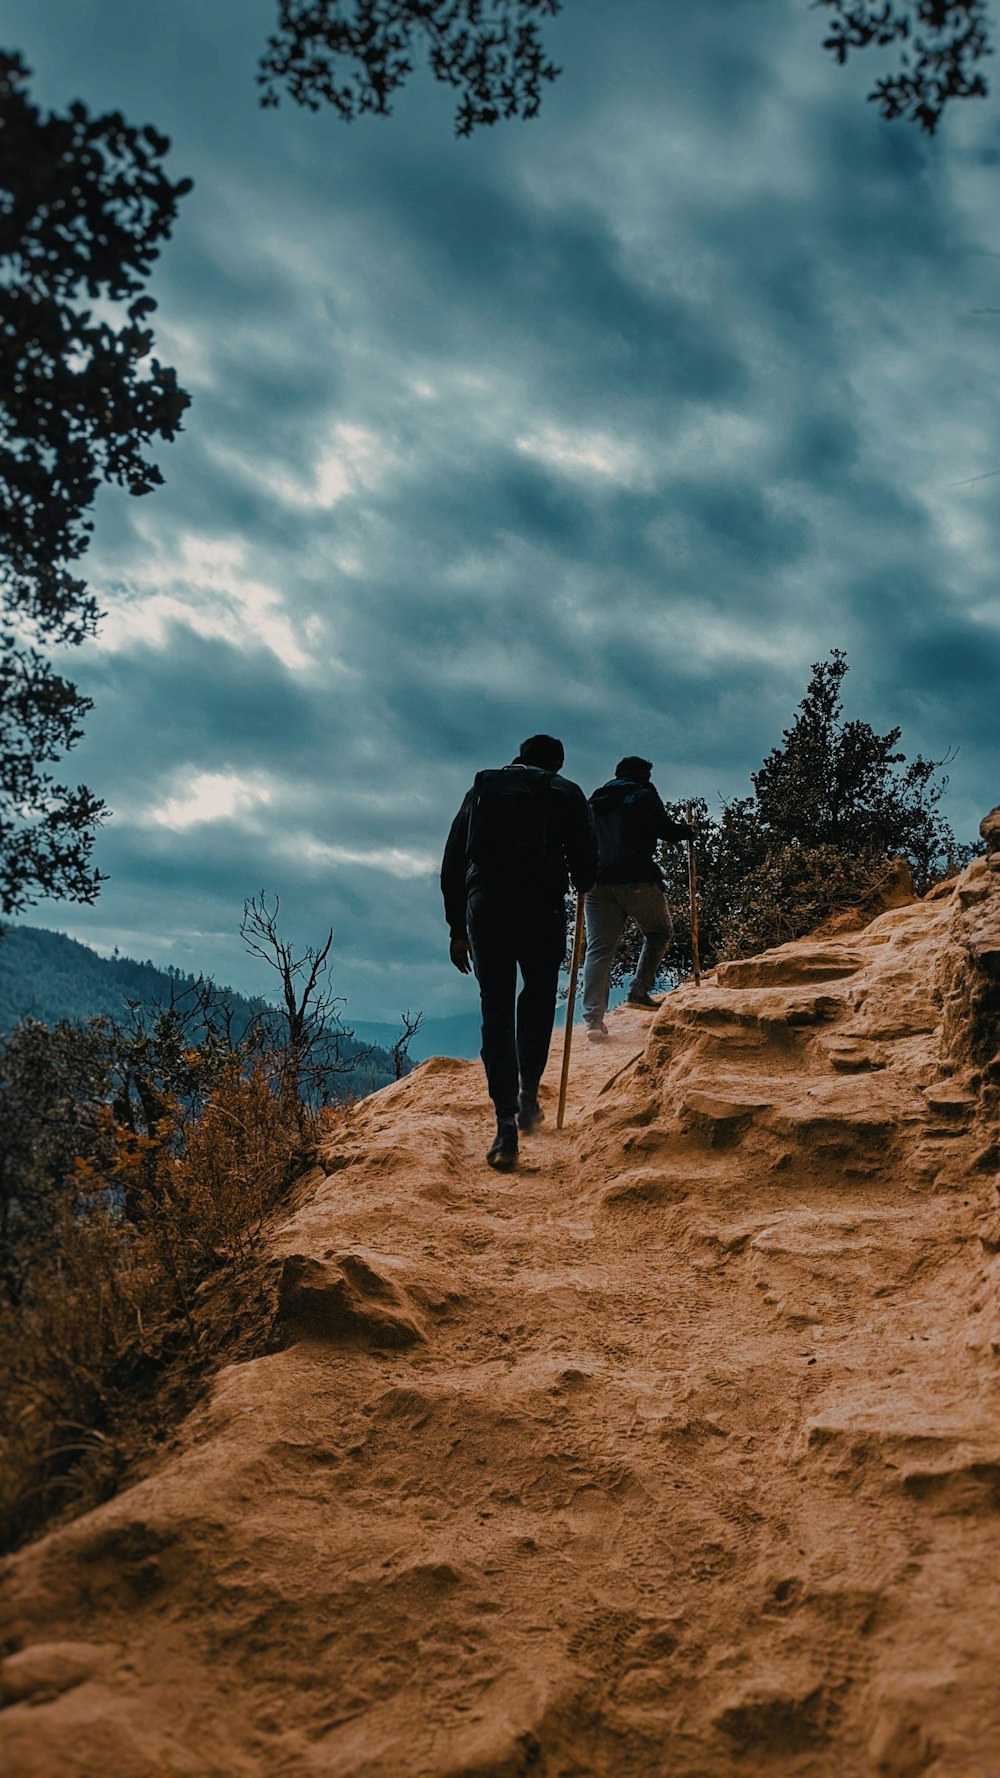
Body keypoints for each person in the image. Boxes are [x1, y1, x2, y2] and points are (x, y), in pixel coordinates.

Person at [441, 734, 596, 1170]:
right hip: (541, 906)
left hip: (486, 904)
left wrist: (457, 929)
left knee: (496, 1004)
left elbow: (453, 862)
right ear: (557, 763)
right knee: (539, 997)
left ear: (517, 758)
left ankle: (504, 1122)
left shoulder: (482, 789)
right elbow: (586, 867)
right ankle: (530, 1097)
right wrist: (581, 877)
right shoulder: (565, 792)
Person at [582, 756, 693, 1040]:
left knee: (598, 950)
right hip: (636, 878)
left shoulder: (596, 800)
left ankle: (593, 1020)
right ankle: (638, 991)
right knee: (659, 931)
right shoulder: (644, 794)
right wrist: (687, 832)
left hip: (595, 882)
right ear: (643, 775)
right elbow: (663, 829)